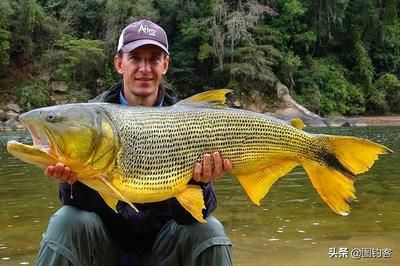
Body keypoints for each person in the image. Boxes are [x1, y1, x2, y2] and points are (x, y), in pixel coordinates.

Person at [35, 19, 233, 266]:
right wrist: (73, 183)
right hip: (107, 251)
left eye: (153, 59)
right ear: (119, 63)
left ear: (165, 65)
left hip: (164, 252)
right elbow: (80, 209)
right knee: (67, 221)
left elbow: (195, 217)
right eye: (135, 58)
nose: (144, 68)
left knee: (208, 231)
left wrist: (202, 183)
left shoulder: (188, 121)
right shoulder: (88, 119)